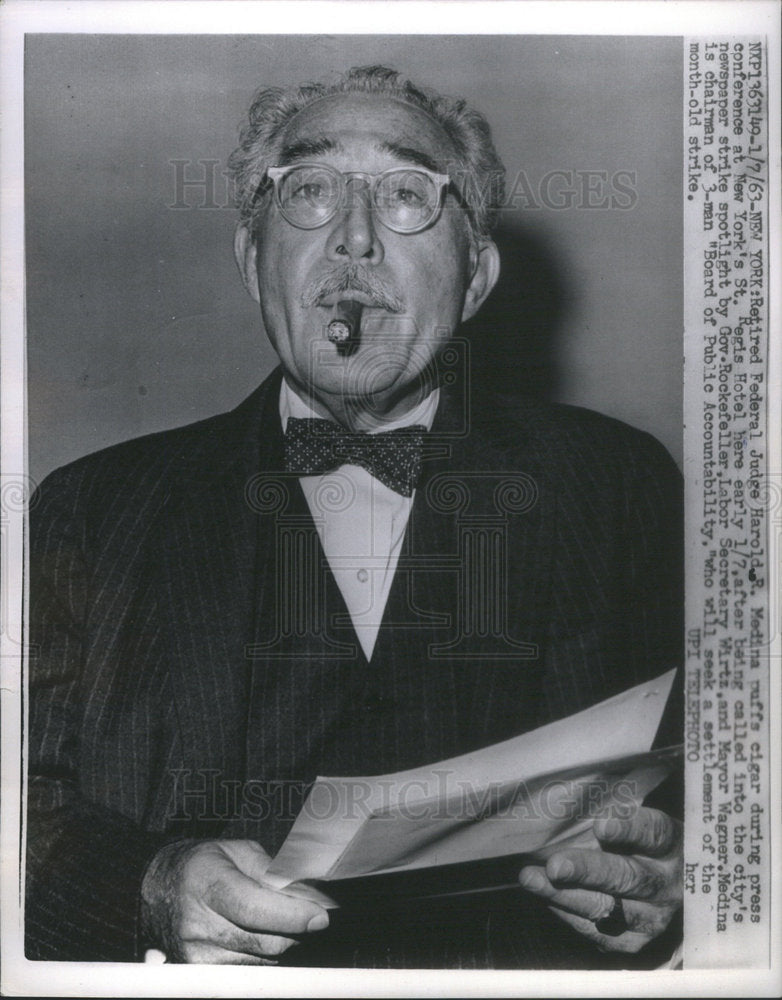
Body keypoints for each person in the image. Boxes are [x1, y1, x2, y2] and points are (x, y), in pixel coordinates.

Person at [26, 65, 684, 968]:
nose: (355, 240)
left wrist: (681, 884)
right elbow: (18, 807)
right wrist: (149, 887)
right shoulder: (88, 512)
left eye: (409, 194)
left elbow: (719, 785)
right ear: (253, 260)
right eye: (311, 194)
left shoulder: (620, 487)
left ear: (478, 276)